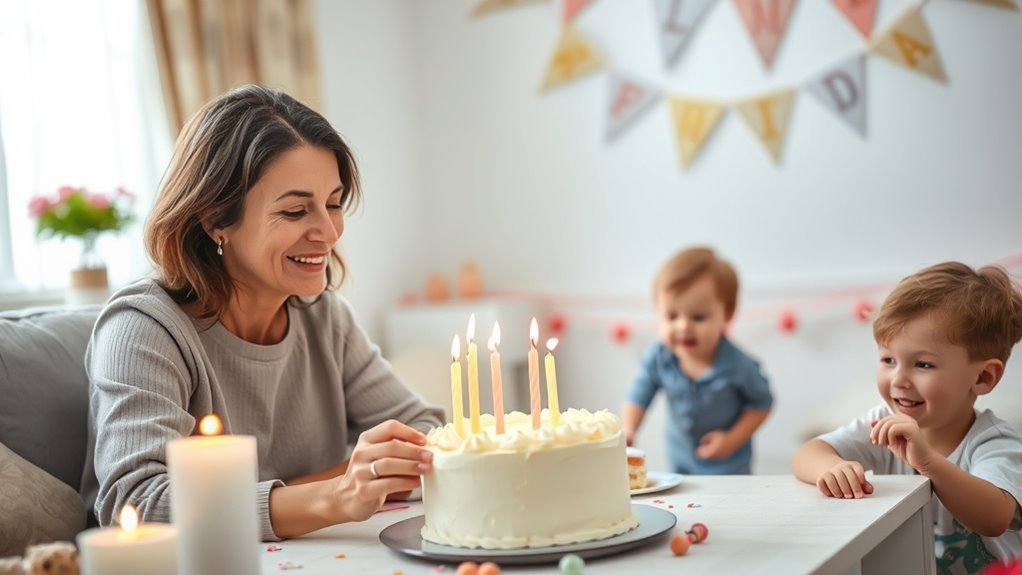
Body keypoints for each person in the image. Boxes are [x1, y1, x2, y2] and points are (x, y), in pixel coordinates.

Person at [80, 85, 445, 541]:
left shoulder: (324, 317)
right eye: (295, 211)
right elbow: (134, 502)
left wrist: (341, 482)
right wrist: (333, 494)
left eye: (333, 203)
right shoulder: (143, 329)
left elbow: (428, 429)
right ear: (215, 219)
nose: (328, 232)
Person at [792, 262, 1022, 572]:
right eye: (888, 359)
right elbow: (808, 452)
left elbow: (995, 517)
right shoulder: (883, 424)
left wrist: (928, 463)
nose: (898, 379)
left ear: (982, 377)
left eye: (923, 364)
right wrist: (832, 468)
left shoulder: (994, 442)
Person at [622, 247, 773, 475]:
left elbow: (762, 404)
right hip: (680, 466)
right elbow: (638, 395)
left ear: (727, 314)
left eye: (698, 317)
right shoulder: (659, 357)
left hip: (730, 469)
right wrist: (629, 430)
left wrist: (731, 440)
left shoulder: (739, 365)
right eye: (672, 316)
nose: (683, 327)